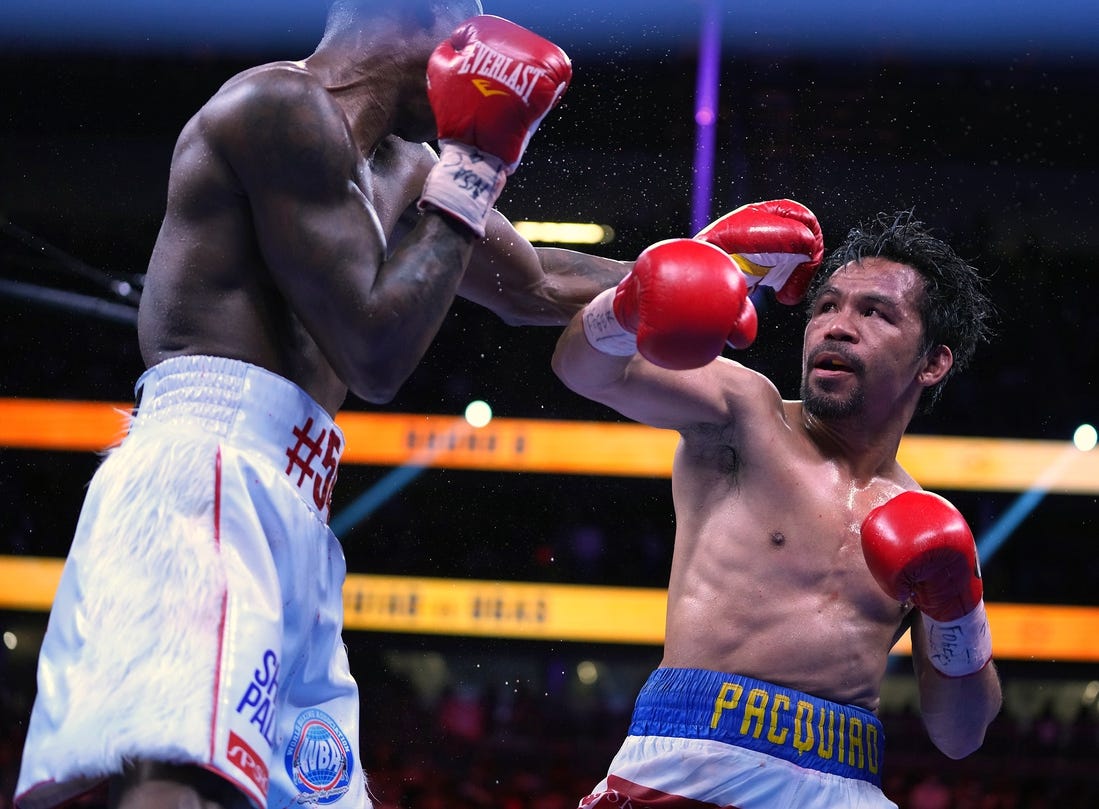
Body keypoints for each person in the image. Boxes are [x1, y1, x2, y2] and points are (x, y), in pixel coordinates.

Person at [15, 4, 629, 809]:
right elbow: (372, 351)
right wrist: (476, 163)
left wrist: (706, 268)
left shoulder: (408, 167)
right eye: (467, 28)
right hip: (205, 473)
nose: (482, 56)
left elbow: (539, 285)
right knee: (180, 773)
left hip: (296, 505)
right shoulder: (278, 107)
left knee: (308, 796)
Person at [552, 201, 1003, 809]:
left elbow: (960, 734)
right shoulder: (745, 414)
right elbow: (584, 370)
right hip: (692, 762)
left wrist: (958, 609)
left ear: (934, 361)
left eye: (876, 313)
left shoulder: (925, 522)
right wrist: (628, 304)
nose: (837, 326)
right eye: (825, 307)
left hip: (846, 783)